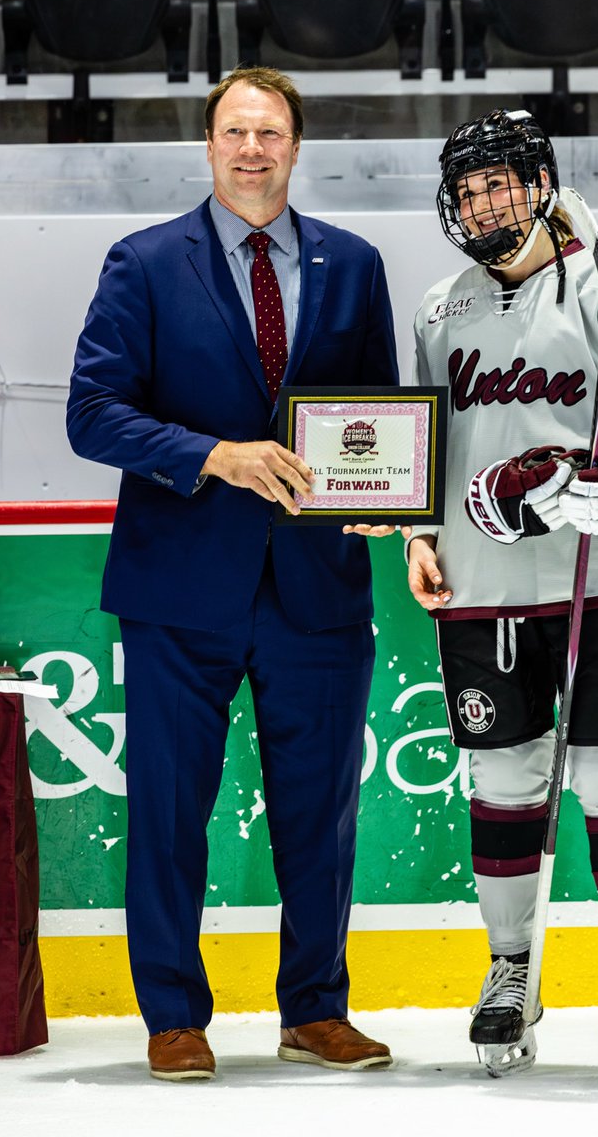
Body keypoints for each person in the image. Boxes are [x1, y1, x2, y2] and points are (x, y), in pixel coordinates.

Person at [67, 66, 399, 1080]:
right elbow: (93, 414)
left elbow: (378, 414)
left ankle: (314, 1007)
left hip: (316, 585)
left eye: (268, 133)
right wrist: (216, 457)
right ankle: (173, 1014)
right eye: (232, 132)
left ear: (295, 147)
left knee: (321, 812)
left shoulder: (353, 263)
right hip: (180, 588)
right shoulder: (143, 261)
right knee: (168, 810)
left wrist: (390, 508)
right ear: (208, 146)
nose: (250, 150)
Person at [404, 109, 598, 1081]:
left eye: (499, 181)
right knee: (499, 786)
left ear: (537, 182)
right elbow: (421, 451)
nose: (483, 201)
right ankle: (509, 972)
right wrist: (415, 532)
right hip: (481, 592)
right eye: (467, 189)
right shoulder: (436, 311)